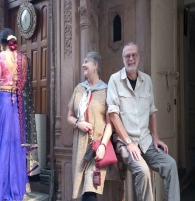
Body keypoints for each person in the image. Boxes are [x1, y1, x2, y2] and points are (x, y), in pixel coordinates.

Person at [107, 42, 180, 201]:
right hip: (126, 142)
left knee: (170, 165)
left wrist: (156, 137)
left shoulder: (146, 80)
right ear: (123, 59)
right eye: (127, 56)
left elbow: (152, 110)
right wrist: (128, 142)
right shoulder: (114, 80)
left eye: (134, 55)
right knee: (143, 171)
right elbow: (113, 114)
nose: (131, 59)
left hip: (146, 140)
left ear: (138, 57)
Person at [0, 28, 31, 201]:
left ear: (2, 44)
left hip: (3, 102)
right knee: (16, 146)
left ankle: (0, 192)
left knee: (1, 144)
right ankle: (17, 191)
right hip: (17, 103)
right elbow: (22, 85)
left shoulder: (0, 57)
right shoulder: (23, 59)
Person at [67, 52, 119, 201]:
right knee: (83, 191)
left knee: (90, 190)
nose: (83, 65)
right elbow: (69, 116)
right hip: (81, 147)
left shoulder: (106, 90)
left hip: (97, 147)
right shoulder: (79, 89)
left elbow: (111, 123)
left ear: (95, 65)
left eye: (86, 62)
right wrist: (78, 124)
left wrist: (103, 145)